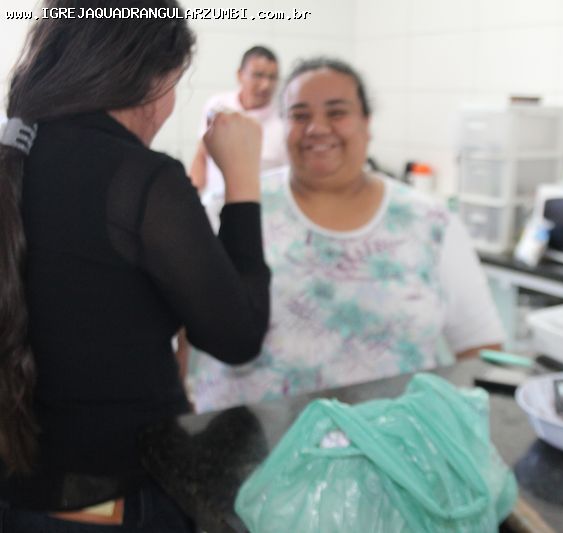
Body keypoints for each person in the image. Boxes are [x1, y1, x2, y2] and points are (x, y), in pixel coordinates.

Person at [0, 1, 271, 531]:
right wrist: (242, 180)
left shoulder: (15, 159)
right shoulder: (140, 181)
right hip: (112, 495)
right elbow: (236, 334)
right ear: (152, 80)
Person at [187, 57, 504, 413]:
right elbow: (181, 330)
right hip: (248, 441)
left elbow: (480, 347)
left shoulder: (431, 222)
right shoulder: (231, 209)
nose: (317, 128)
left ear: (367, 123)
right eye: (299, 115)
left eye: (336, 112)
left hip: (392, 441)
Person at [189, 45, 288, 230]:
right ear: (240, 75)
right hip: (211, 214)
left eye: (272, 77)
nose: (266, 85)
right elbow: (202, 156)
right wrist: (190, 200)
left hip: (261, 221)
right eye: (258, 75)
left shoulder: (285, 122)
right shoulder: (217, 106)